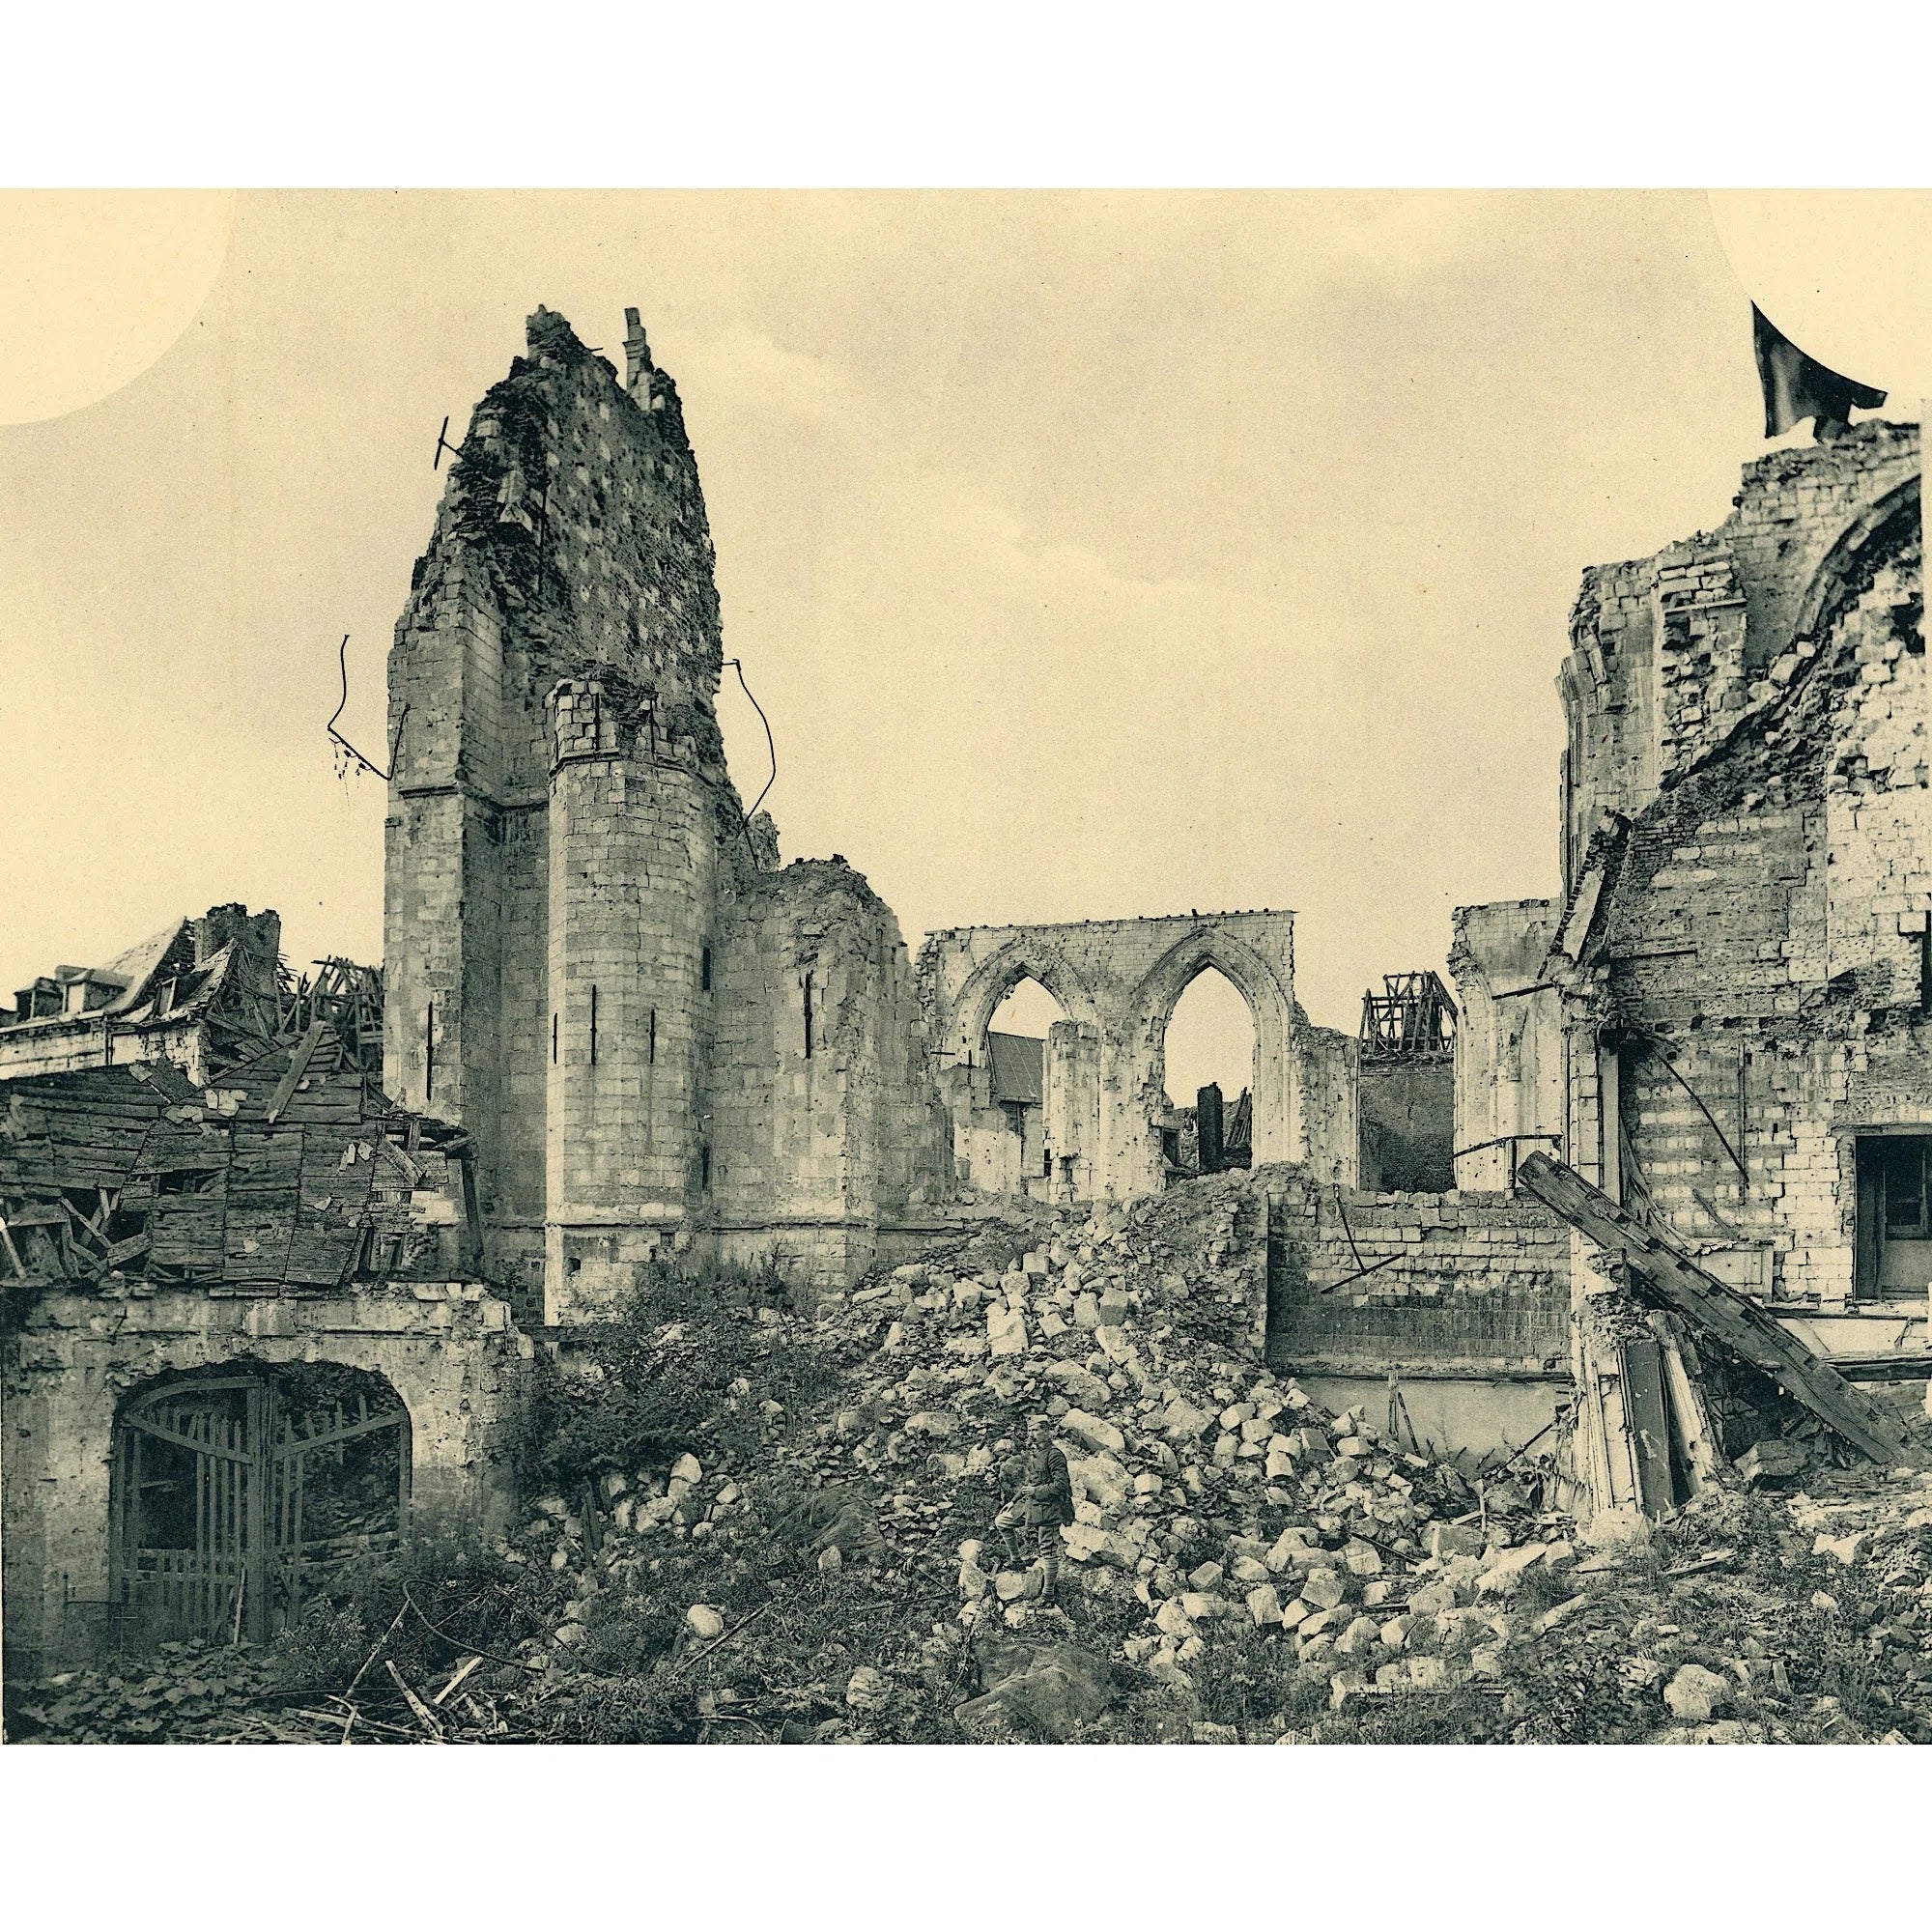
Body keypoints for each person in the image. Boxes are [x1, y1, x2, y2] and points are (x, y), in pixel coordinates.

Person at [994, 1415, 1075, 1602]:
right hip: (1031, 1505)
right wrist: (1014, 1501)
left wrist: (1035, 1491)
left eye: (1037, 1430)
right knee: (1002, 1521)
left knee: (1048, 1550)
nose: (1033, 1434)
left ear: (1048, 1432)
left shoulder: (1054, 1454)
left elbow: (1061, 1485)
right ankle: (1017, 1561)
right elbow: (1029, 1482)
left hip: (1050, 1508)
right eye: (1031, 1430)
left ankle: (1048, 1594)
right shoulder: (1036, 1453)